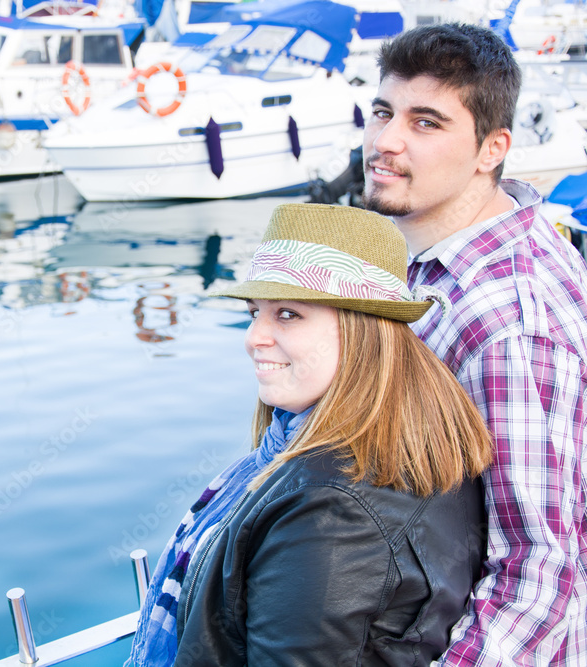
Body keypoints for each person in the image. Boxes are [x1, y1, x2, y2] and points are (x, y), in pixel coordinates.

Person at [126, 202, 494, 666]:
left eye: (287, 314)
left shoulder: (334, 513)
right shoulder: (389, 441)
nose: (253, 336)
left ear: (361, 331)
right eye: (254, 311)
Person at [362, 23, 587, 664]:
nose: (385, 141)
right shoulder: (458, 254)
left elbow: (539, 570)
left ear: (492, 149)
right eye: (383, 111)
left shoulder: (508, 324)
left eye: (426, 123)